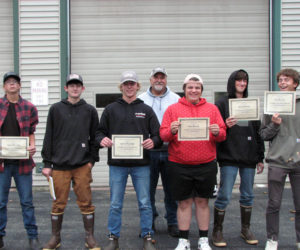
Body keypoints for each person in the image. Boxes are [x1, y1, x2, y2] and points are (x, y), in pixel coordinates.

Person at [96, 70, 161, 250]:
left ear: (138, 86)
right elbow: (99, 132)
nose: (130, 87)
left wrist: (153, 141)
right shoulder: (111, 109)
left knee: (145, 202)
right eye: (126, 84)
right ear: (121, 86)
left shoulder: (146, 109)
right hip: (118, 165)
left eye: (133, 83)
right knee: (116, 203)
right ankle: (113, 238)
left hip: (142, 165)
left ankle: (147, 236)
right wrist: (102, 139)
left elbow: (158, 134)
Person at [160, 74, 226, 250]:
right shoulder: (173, 109)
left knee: (203, 202)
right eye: (190, 87)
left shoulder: (212, 109)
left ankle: (203, 239)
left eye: (197, 87)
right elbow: (163, 135)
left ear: (201, 90)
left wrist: (217, 131)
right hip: (179, 164)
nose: (194, 90)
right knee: (184, 203)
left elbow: (223, 134)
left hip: (206, 164)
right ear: (184, 89)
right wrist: (172, 131)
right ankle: (184, 240)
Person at [41, 73, 100, 250]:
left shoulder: (89, 110)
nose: (75, 88)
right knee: (58, 203)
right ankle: (55, 238)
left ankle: (89, 238)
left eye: (78, 85)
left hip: (82, 165)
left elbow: (95, 138)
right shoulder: (56, 109)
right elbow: (49, 137)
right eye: (71, 85)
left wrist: (92, 160)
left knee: (86, 202)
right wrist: (46, 163)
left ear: (83, 88)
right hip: (59, 166)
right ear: (66, 88)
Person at [212, 69, 265, 247]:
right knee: (224, 195)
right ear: (232, 82)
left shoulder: (251, 103)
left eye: (245, 80)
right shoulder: (222, 104)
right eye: (239, 80)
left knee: (248, 195)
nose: (242, 83)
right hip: (229, 156)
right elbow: (216, 131)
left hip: (249, 157)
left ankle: (245, 229)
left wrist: (260, 156)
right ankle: (217, 231)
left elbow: (258, 131)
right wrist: (225, 126)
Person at [260, 68, 300, 250]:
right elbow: (263, 135)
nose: (282, 83)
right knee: (274, 204)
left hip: (298, 163)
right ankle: (272, 239)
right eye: (280, 80)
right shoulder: (272, 104)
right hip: (277, 161)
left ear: (295, 84)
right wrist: (275, 126)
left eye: (287, 80)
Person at [138, 67, 180, 237]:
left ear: (166, 80)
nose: (159, 80)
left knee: (172, 190)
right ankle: (150, 222)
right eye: (156, 77)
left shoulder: (176, 99)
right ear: (150, 80)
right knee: (148, 191)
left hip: (171, 150)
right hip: (149, 151)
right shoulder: (140, 99)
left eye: (162, 77)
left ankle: (173, 222)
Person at [0, 72, 40, 250]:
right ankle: (0, 236)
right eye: (8, 82)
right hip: (2, 163)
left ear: (19, 86)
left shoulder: (29, 107)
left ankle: (32, 236)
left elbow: (31, 131)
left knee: (27, 201)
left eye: (15, 82)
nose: (12, 84)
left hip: (22, 163)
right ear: (4, 87)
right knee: (0, 202)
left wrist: (32, 146)